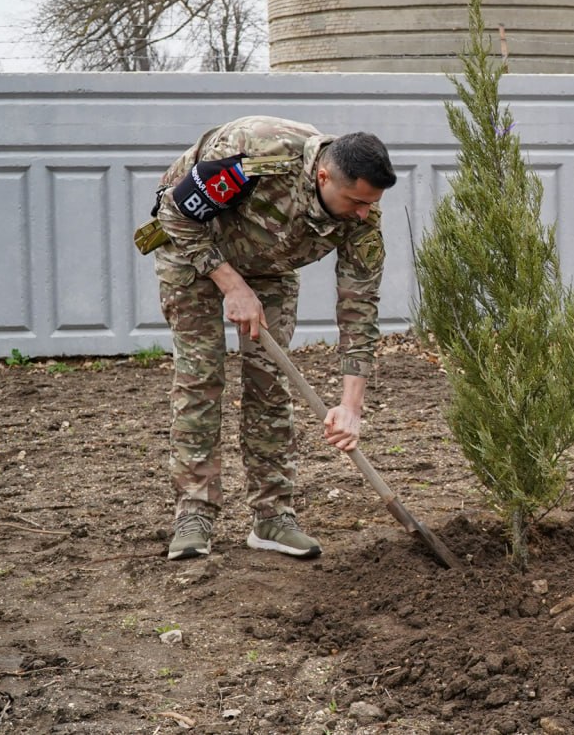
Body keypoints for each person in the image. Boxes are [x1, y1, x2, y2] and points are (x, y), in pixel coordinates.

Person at [148, 116, 396, 561]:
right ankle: (194, 513)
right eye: (357, 201)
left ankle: (273, 516)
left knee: (270, 383)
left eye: (371, 203)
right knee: (201, 378)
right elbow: (175, 214)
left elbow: (359, 309)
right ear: (324, 177)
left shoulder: (362, 218)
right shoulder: (255, 155)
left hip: (270, 267)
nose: (364, 212)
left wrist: (351, 406)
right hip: (194, 247)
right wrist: (231, 285)